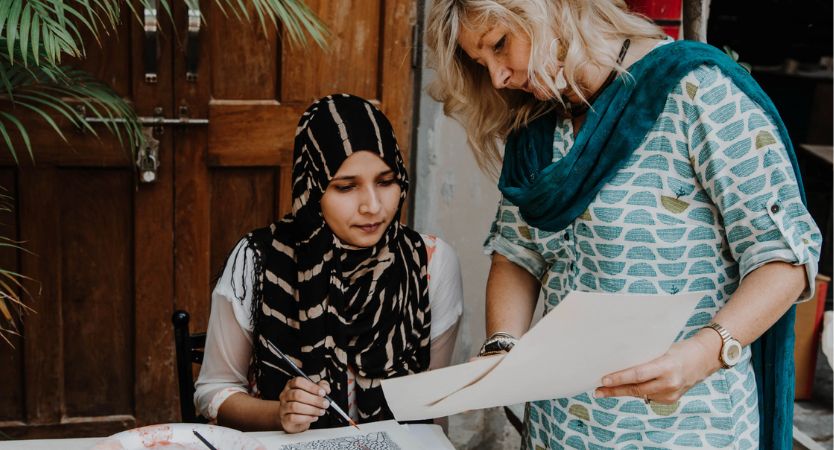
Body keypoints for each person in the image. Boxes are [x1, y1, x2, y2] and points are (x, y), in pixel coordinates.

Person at [426, 1, 822, 448]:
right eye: (483, 63)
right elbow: (518, 254)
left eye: (500, 45)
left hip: (685, 427)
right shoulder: (538, 123)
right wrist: (503, 347)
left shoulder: (697, 93)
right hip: (560, 428)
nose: (499, 76)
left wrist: (704, 353)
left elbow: (785, 256)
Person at [194, 94, 463, 433]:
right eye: (346, 187)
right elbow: (213, 392)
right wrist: (279, 412)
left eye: (386, 181)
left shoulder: (430, 263)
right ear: (312, 187)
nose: (372, 206)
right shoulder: (258, 261)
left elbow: (435, 408)